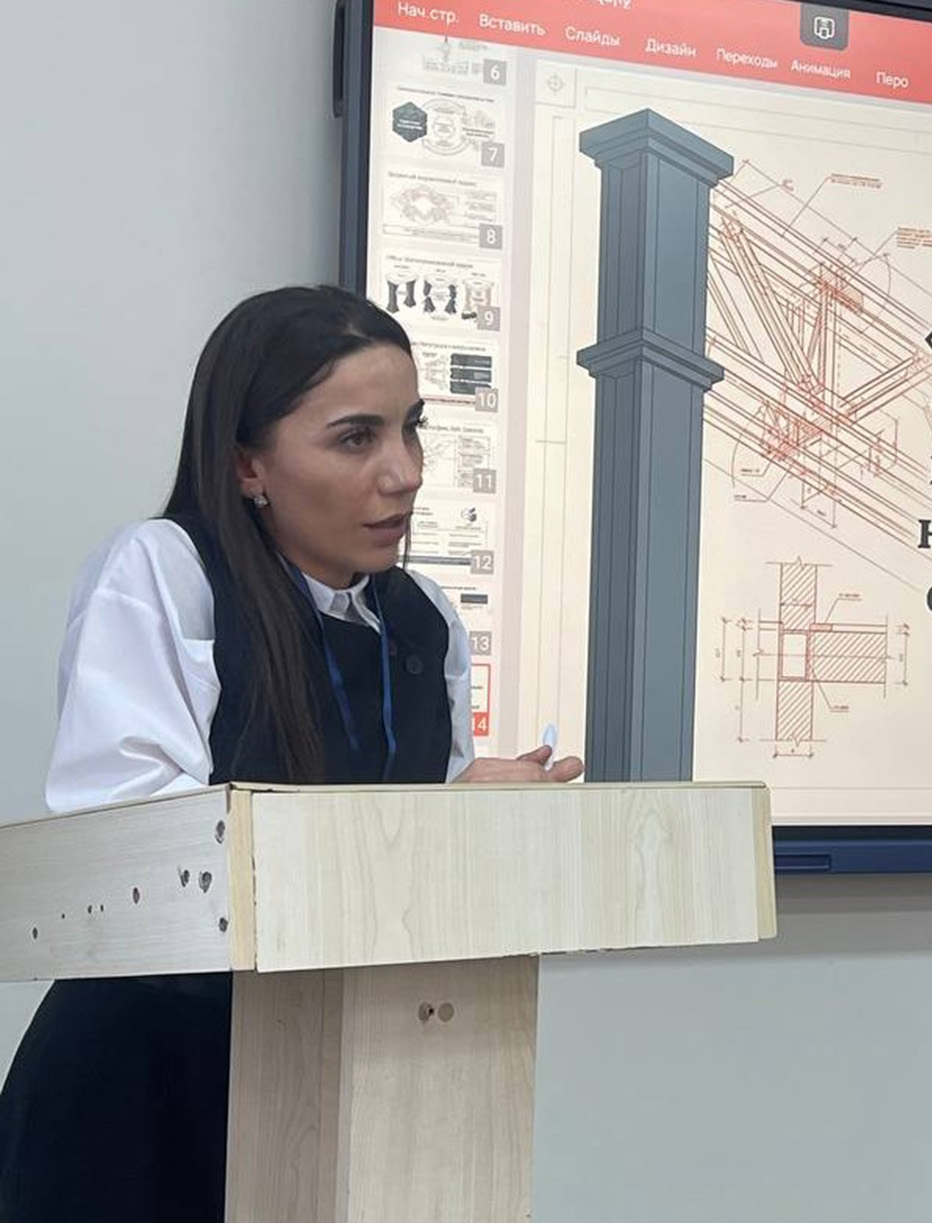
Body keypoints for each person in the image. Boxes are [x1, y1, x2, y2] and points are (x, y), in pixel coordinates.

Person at [0, 285, 582, 1222]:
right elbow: (138, 857)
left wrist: (475, 813)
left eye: (412, 429)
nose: (405, 473)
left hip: (346, 1086)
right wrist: (425, 820)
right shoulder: (166, 573)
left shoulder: (424, 619)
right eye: (356, 438)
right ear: (247, 465)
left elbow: (404, 881)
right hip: (144, 1094)